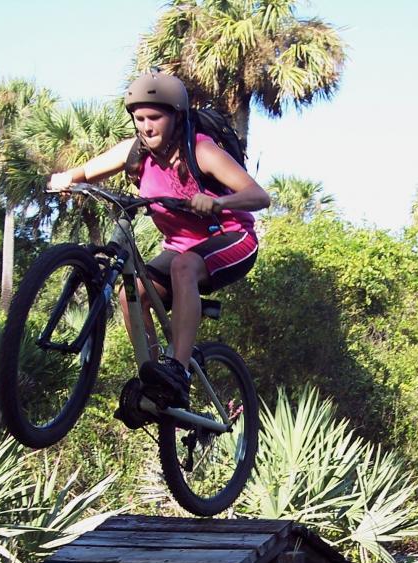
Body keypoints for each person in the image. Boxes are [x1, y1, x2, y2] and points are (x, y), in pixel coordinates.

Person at [47, 71, 270, 408]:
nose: (147, 126)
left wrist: (219, 202)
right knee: (131, 294)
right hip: (181, 247)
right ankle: (154, 379)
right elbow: (89, 170)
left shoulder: (202, 151)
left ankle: (177, 371)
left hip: (232, 238)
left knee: (184, 267)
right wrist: (68, 178)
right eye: (139, 118)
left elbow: (259, 196)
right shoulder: (136, 152)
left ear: (176, 117)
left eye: (155, 118)